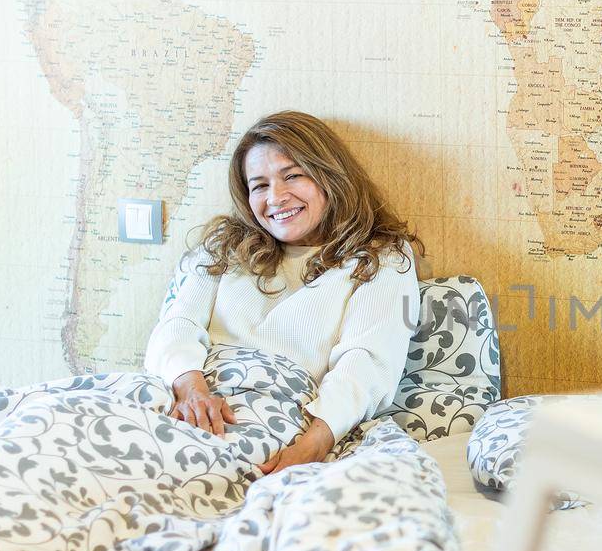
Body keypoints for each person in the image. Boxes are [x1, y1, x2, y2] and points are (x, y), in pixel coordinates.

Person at [145, 111, 423, 475]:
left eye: (292, 176)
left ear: (330, 177)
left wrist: (314, 444)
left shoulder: (381, 257)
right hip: (185, 402)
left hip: (280, 419)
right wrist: (192, 390)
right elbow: (177, 322)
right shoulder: (224, 246)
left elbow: (366, 364)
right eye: (259, 185)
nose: (275, 198)